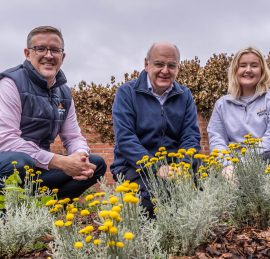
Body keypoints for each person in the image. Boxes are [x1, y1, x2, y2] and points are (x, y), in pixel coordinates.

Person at [0, 26, 107, 198]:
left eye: (55, 50)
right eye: (40, 48)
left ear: (62, 57)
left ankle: (48, 213)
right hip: (7, 164)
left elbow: (73, 137)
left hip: (37, 168)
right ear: (27, 54)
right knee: (19, 162)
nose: (48, 55)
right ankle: (6, 217)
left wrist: (80, 157)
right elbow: (6, 141)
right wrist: (59, 161)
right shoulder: (10, 83)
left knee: (95, 164)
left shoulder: (64, 93)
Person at [110, 42, 201, 217]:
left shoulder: (185, 95)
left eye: (171, 65)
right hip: (134, 166)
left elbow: (190, 136)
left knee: (209, 190)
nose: (165, 70)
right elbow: (125, 139)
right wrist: (157, 167)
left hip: (175, 166)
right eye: (159, 64)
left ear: (178, 67)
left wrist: (183, 165)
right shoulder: (127, 93)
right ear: (147, 64)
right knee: (153, 199)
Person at [207, 46, 270, 176]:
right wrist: (226, 165)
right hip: (230, 169)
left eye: (254, 65)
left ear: (262, 70)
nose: (248, 70)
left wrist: (243, 163)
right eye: (242, 65)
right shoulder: (222, 104)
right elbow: (216, 138)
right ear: (235, 70)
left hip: (264, 165)